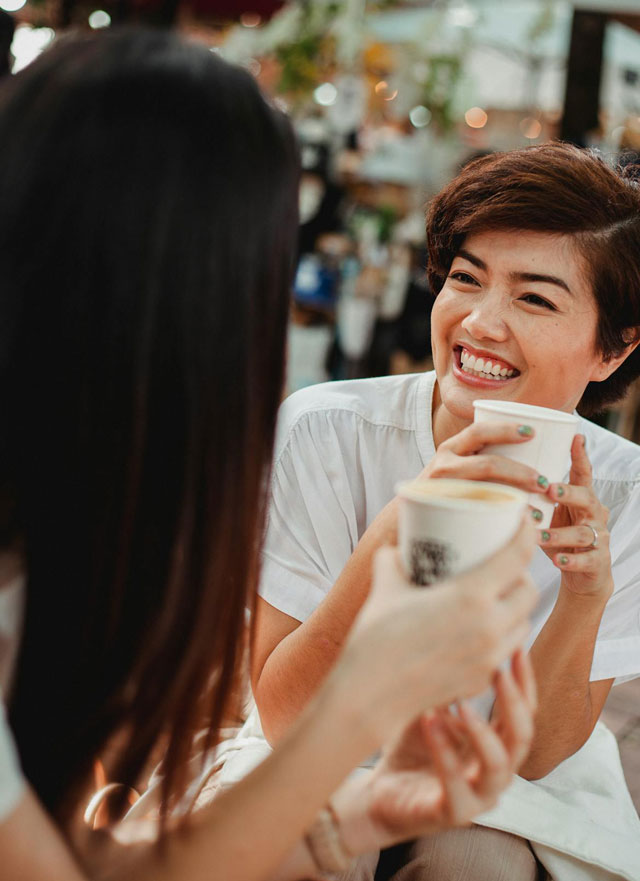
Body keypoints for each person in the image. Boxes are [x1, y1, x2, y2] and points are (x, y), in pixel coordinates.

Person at [0, 27, 541, 881]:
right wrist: (366, 696)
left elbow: (81, 857)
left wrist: (370, 810)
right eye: (463, 279)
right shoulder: (322, 428)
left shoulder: (79, 528)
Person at [245, 143, 640, 880]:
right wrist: (396, 531)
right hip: (316, 750)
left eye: (535, 297)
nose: (479, 321)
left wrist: (584, 596)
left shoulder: (639, 494)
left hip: (507, 785)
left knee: (478, 862)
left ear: (613, 348)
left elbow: (539, 754)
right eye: (466, 279)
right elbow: (285, 716)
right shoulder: (328, 429)